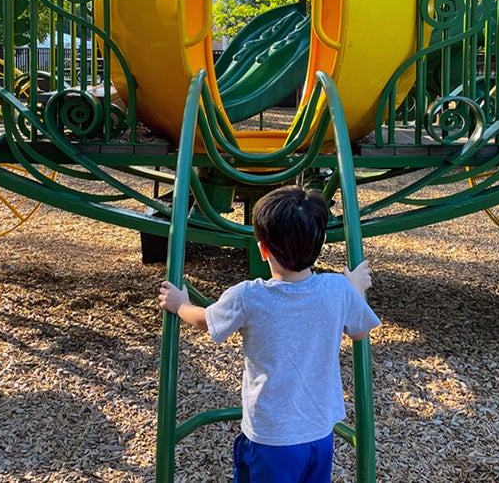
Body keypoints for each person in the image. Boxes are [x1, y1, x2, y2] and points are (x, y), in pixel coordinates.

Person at [159, 184, 380, 483]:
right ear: (322, 240)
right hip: (319, 435)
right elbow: (359, 332)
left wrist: (180, 304)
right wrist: (353, 290)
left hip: (271, 439)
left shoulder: (249, 297)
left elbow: (205, 321)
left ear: (263, 249)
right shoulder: (337, 289)